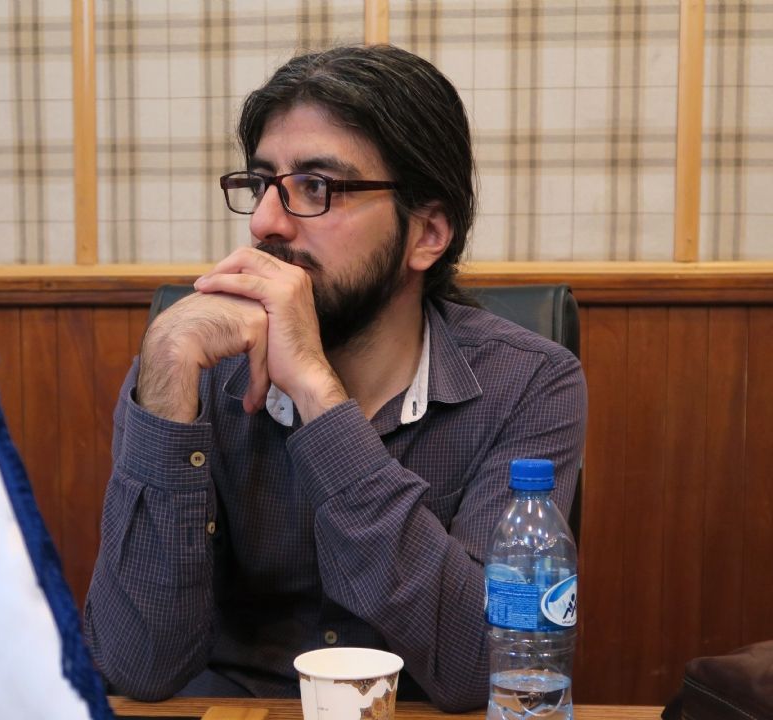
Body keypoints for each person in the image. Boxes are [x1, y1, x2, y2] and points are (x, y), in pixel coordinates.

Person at [83, 44, 586, 712]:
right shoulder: (193, 372)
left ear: (426, 234)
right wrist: (167, 384)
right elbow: (135, 668)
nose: (265, 222)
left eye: (317, 187)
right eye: (262, 184)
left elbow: (483, 667)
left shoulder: (529, 383)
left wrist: (320, 398)